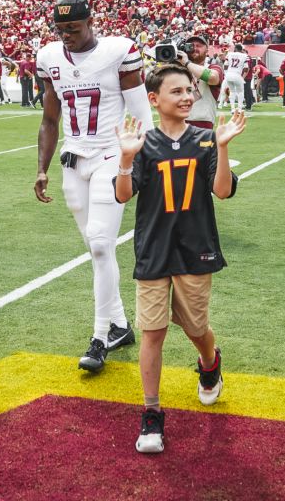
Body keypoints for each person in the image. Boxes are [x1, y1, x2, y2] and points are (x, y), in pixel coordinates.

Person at [113, 66, 246, 454]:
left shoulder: (206, 138)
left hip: (195, 248)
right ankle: (152, 413)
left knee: (194, 326)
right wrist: (125, 158)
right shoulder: (143, 142)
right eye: (177, 91)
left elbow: (222, 192)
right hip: (154, 248)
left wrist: (222, 147)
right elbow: (123, 195)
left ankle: (209, 360)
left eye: (189, 90)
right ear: (154, 99)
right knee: (153, 332)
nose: (187, 96)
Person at [34, 0, 153, 373]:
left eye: (73, 27)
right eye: (60, 29)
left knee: (101, 244)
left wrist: (145, 164)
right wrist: (42, 168)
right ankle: (119, 324)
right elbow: (49, 119)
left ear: (91, 22)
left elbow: (141, 114)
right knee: (95, 248)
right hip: (74, 160)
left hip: (110, 156)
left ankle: (100, 336)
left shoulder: (118, 52)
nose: (66, 35)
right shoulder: (50, 58)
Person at [176, 35, 224, 130]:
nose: (194, 48)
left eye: (199, 46)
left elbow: (212, 78)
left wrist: (187, 63)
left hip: (202, 124)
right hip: (178, 122)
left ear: (207, 50)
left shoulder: (213, 67)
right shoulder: (178, 69)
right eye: (191, 46)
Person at [220, 44, 248, 114]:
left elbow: (225, 66)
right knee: (240, 92)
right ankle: (239, 109)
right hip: (237, 74)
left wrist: (227, 73)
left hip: (228, 75)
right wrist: (241, 75)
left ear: (235, 49)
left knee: (232, 92)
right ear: (241, 50)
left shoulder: (229, 54)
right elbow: (246, 68)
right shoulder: (244, 56)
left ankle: (232, 109)